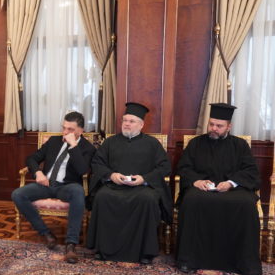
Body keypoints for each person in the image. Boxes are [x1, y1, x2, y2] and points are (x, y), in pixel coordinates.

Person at [176, 103, 263, 275]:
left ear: (228, 127)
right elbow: (184, 167)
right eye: (211, 124)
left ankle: (248, 266)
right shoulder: (196, 143)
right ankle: (188, 260)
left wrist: (231, 183)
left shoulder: (240, 145)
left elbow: (251, 171)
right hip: (202, 189)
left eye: (219, 126)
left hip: (232, 190)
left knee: (246, 204)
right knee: (191, 200)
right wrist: (196, 181)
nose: (214, 128)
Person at [86, 102, 172, 264]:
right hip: (114, 186)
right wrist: (111, 175)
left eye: (131, 121)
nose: (126, 124)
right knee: (102, 197)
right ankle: (104, 249)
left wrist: (144, 178)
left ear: (141, 125)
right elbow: (97, 163)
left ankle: (144, 252)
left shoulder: (152, 143)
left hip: (142, 188)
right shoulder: (110, 142)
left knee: (148, 200)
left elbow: (164, 167)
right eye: (125, 120)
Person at [12, 111, 96, 263]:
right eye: (64, 128)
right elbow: (31, 158)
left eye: (70, 129)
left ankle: (71, 245)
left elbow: (82, 170)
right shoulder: (54, 141)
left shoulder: (87, 148)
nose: (65, 132)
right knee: (18, 194)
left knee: (78, 191)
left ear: (80, 130)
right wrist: (38, 172)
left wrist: (73, 146)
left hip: (67, 187)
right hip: (46, 184)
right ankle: (46, 234)